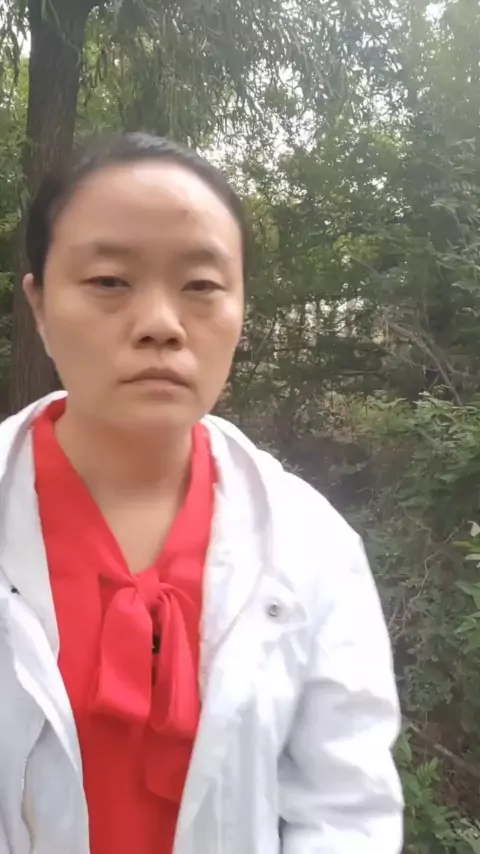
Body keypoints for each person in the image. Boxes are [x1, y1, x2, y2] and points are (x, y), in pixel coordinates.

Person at [0, 132, 403, 854]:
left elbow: (347, 813)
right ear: (38, 305)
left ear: (241, 305)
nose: (160, 325)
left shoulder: (311, 548)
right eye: (109, 282)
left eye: (202, 286)